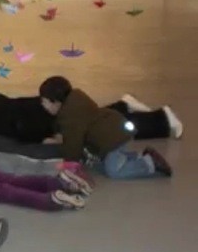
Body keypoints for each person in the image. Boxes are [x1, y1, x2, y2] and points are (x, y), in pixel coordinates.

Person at [0, 65, 183, 147]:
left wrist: (44, 137)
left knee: (93, 125)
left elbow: (12, 125)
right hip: (35, 114)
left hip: (38, 114)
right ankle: (124, 105)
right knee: (91, 119)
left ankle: (160, 119)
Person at [38, 76, 173, 179]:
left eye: (44, 101)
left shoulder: (71, 116)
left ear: (56, 102)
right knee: (105, 163)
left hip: (113, 138)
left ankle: (150, 163)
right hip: (114, 129)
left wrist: (69, 165)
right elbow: (64, 127)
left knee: (114, 171)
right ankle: (138, 157)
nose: (42, 105)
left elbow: (73, 144)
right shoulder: (73, 104)